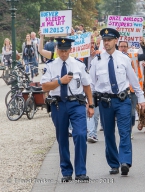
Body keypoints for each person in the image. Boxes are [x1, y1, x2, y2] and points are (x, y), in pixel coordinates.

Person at [89, 28, 145, 176]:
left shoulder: (124, 58)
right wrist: (90, 102)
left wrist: (141, 98)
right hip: (105, 101)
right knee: (108, 133)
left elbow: (133, 80)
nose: (106, 42)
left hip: (122, 100)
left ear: (116, 41)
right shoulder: (97, 61)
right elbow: (92, 84)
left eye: (109, 40)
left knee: (124, 131)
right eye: (104, 40)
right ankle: (114, 164)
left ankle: (125, 162)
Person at [40, 37, 94, 182]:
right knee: (62, 138)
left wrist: (91, 104)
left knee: (81, 135)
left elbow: (87, 85)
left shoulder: (78, 65)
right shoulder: (51, 66)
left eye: (66, 51)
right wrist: (59, 81)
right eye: (61, 51)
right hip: (58, 105)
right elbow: (44, 86)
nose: (63, 54)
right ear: (56, 50)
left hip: (76, 103)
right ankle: (66, 171)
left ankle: (81, 171)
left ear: (70, 50)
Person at [118, 38, 145, 139]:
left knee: (131, 114)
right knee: (123, 112)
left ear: (128, 48)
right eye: (121, 46)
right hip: (121, 90)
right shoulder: (114, 58)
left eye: (124, 47)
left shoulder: (133, 56)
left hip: (133, 89)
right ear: (118, 47)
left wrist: (142, 45)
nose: (123, 48)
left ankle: (129, 129)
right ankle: (126, 132)